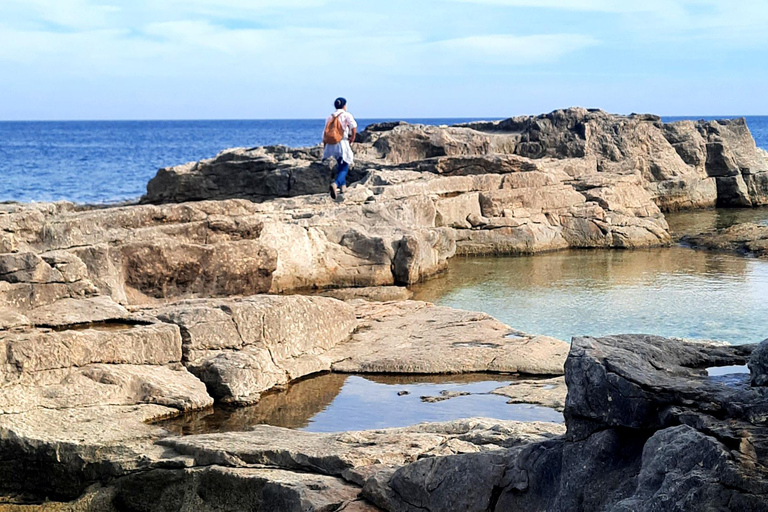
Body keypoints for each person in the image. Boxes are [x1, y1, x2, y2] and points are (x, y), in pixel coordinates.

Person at [322, 97, 357, 199]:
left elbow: (325, 133)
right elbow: (353, 126)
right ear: (344, 105)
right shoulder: (346, 115)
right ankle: (336, 184)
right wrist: (353, 138)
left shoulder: (330, 117)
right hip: (342, 142)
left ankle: (343, 187)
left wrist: (325, 147)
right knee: (345, 164)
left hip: (331, 144)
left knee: (340, 164)